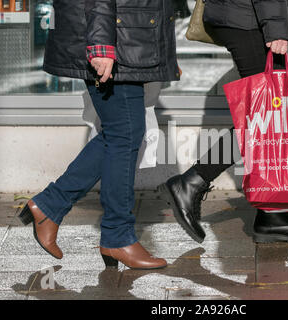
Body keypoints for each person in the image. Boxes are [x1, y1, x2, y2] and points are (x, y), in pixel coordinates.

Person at [18, 0, 180, 269]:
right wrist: (101, 44)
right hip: (112, 36)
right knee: (125, 133)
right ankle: (116, 235)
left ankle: (51, 206)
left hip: (125, 33)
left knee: (122, 133)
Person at [158, 0, 288, 244]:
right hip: (249, 18)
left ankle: (272, 214)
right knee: (266, 117)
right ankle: (192, 183)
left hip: (246, 15)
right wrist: (276, 26)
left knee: (267, 118)